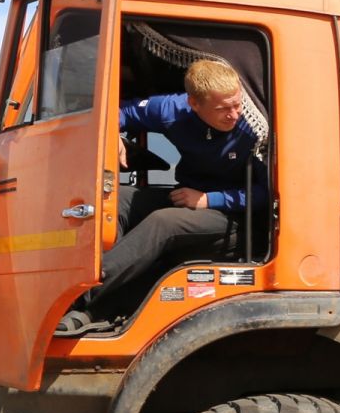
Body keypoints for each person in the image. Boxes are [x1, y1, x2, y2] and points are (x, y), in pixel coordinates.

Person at [64, 58, 267, 330]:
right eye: (223, 109)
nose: (235, 114)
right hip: (187, 197)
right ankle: (107, 298)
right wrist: (111, 133)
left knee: (164, 222)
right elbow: (119, 111)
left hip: (236, 216)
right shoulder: (172, 109)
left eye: (237, 104)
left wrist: (210, 199)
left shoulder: (253, 127)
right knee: (120, 199)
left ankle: (79, 296)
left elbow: (267, 193)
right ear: (194, 104)